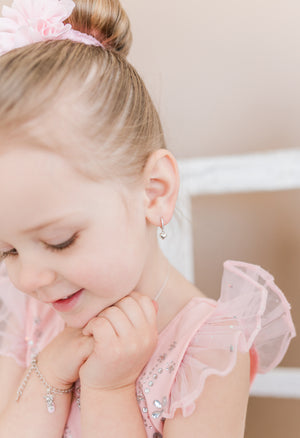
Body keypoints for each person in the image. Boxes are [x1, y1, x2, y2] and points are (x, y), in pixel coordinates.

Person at [0, 1, 296, 437]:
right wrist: (49, 370)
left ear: (154, 192)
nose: (28, 277)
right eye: (6, 250)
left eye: (60, 240)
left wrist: (109, 390)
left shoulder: (207, 351)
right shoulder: (31, 311)